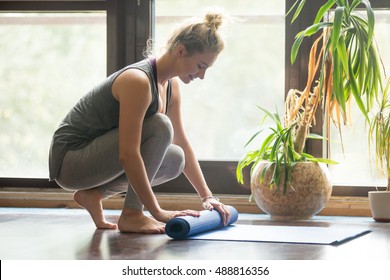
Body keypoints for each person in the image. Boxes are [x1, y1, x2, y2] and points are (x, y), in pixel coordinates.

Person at [48, 10, 232, 234]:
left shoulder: (171, 86)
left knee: (176, 158)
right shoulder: (138, 81)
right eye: (201, 66)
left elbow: (181, 141)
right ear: (181, 51)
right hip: (70, 161)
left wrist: (207, 196)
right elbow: (128, 153)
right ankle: (132, 215)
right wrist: (157, 211)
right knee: (160, 125)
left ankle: (93, 195)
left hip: (95, 160)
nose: (201, 76)